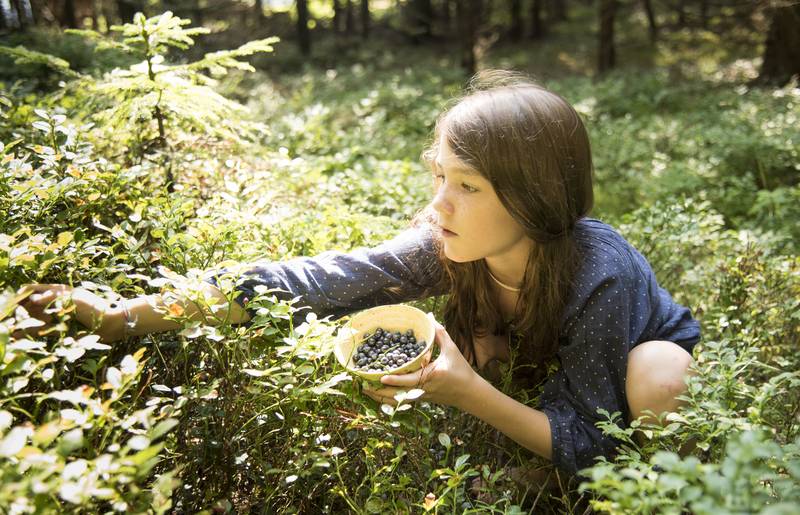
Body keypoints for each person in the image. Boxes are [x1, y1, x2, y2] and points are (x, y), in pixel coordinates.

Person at [18, 70, 700, 482]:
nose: (439, 204)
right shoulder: (448, 242)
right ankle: (508, 365)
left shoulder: (599, 274)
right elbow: (310, 282)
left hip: (630, 356)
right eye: (438, 175)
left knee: (658, 377)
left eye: (467, 185)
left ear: (536, 197)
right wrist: (119, 314)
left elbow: (590, 440)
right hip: (536, 345)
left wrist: (468, 393)